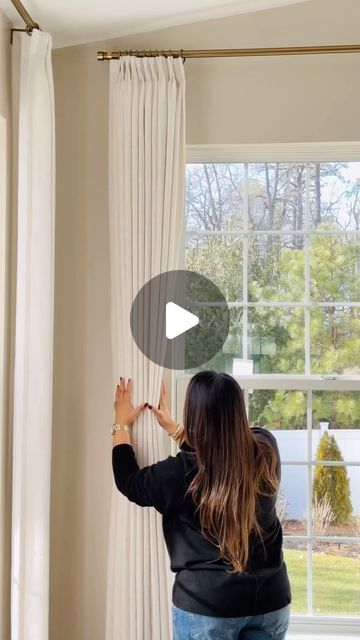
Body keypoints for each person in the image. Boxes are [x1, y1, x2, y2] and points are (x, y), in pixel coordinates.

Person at [112, 371, 291, 640]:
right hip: (270, 603)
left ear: (194, 414)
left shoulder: (178, 473)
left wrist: (120, 424)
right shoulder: (265, 449)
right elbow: (223, 454)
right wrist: (175, 430)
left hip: (208, 607)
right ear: (238, 410)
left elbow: (130, 481)